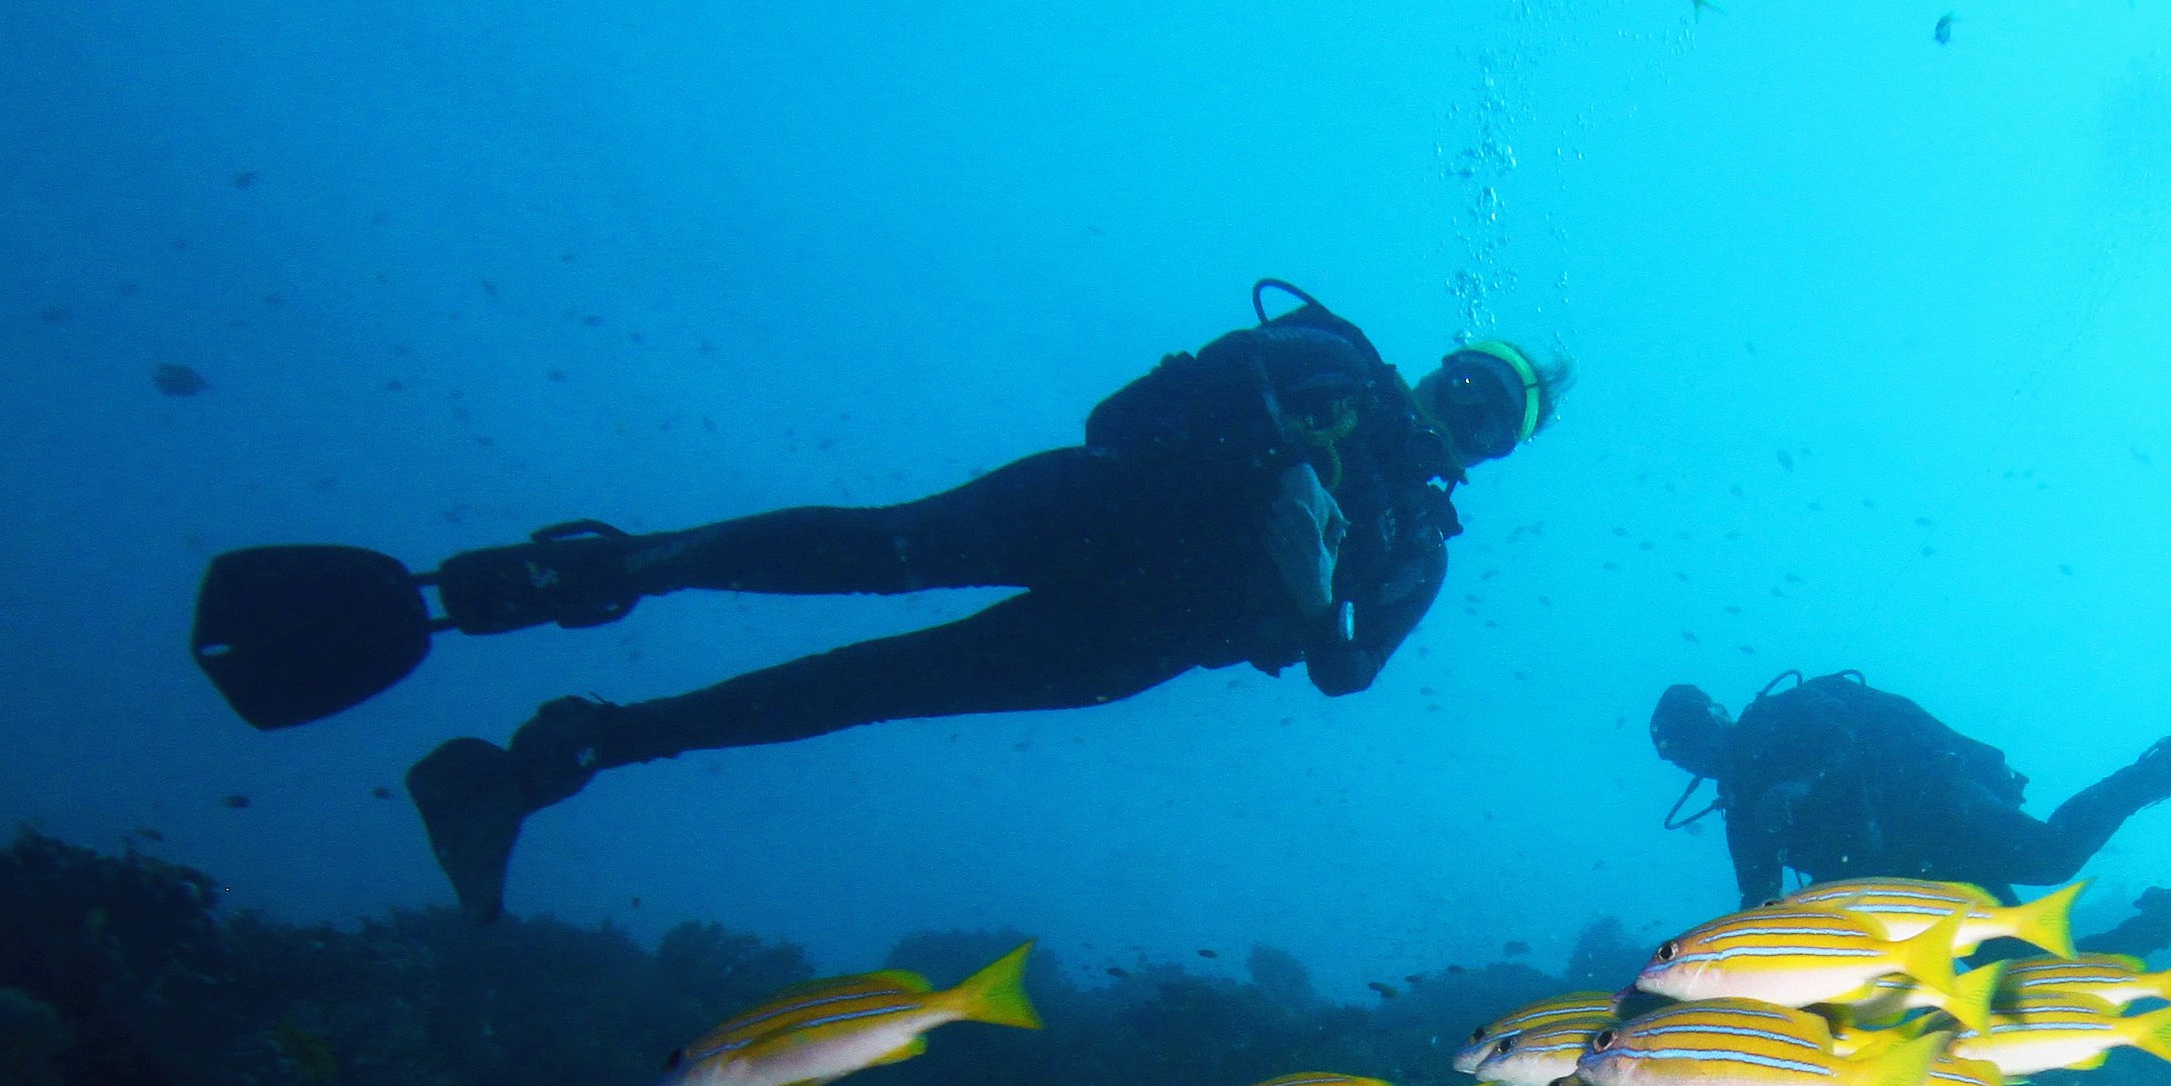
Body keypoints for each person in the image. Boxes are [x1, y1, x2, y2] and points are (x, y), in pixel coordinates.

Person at [206, 285, 1560, 920]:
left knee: (869, 689)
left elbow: (1340, 675)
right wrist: (1262, 439)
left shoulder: (1416, 553)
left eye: (1495, 422)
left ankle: (573, 750)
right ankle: (573, 574)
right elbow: (1116, 415)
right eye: (1470, 383)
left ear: (1497, 453)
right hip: (1095, 509)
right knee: (882, 549)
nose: (1467, 414)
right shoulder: (1322, 359)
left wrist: (1314, 575)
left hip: (1130, 641)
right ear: (1440, 365)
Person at [1648, 648, 2171, 908]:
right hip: (1905, 878)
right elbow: (1757, 898)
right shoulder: (1740, 809)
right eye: (1677, 754)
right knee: (2010, 957)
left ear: (1715, 719)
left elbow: (1845, 728)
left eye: (1691, 738)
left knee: (2050, 858)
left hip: (1937, 810)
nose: (1694, 756)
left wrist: (1803, 779)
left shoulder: (1783, 719)